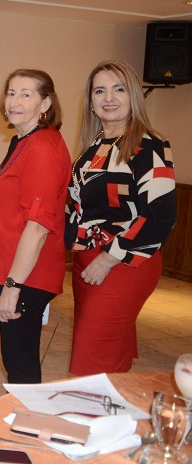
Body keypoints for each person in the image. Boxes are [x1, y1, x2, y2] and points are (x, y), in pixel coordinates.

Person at [67, 60, 177, 375]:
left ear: (133, 97)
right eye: (99, 91)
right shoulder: (93, 147)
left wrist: (108, 258)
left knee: (93, 360)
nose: (109, 98)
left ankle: (93, 422)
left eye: (119, 89)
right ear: (90, 101)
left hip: (124, 262)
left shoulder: (148, 145)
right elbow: (80, 208)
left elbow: (160, 215)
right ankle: (115, 421)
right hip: (87, 261)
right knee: (106, 357)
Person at [0, 69, 70, 384]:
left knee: (20, 364)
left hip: (27, 275)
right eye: (11, 92)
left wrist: (11, 287)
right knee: (16, 359)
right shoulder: (26, 140)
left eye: (26, 94)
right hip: (18, 269)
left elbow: (38, 225)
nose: (14, 101)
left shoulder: (43, 147)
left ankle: (30, 430)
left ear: (45, 103)